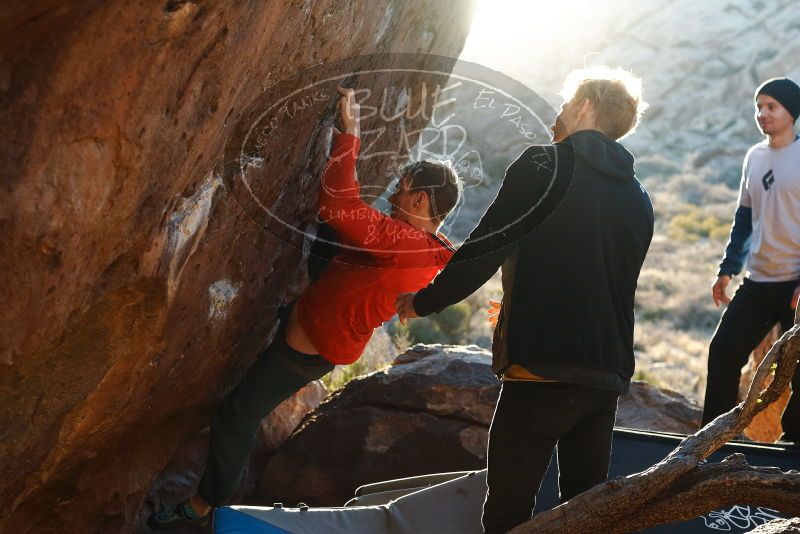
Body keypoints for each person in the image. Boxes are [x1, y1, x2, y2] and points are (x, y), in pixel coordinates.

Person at [148, 87, 461, 529]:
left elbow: (337, 206)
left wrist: (349, 135)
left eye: (400, 192)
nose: (392, 200)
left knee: (237, 416)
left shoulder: (406, 244)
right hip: (324, 320)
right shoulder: (429, 248)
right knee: (340, 232)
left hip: (303, 350)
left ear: (420, 202)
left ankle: (204, 505)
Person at [396, 66, 652, 533]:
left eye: (565, 104)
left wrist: (424, 302)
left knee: (507, 515)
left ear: (584, 108)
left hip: (542, 368)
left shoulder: (545, 164)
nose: (558, 114)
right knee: (585, 518)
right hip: (604, 377)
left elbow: (485, 248)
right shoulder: (638, 196)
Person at [701, 77, 800, 442]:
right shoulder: (754, 157)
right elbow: (744, 217)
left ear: (791, 112)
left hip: (796, 284)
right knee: (723, 350)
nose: (763, 114)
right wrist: (727, 269)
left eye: (771, 106)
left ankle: (794, 443)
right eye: (759, 107)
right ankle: (714, 438)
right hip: (758, 281)